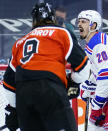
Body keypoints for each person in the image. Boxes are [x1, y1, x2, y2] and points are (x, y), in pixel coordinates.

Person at [2, 2, 90, 131]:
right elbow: (84, 67)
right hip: (51, 90)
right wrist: (72, 82)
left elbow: (8, 84)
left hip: (24, 94)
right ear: (52, 18)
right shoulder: (61, 33)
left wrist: (15, 108)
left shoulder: (20, 42)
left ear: (34, 21)